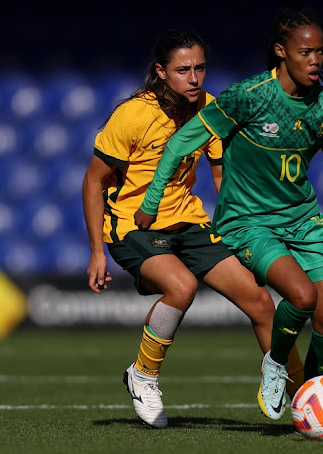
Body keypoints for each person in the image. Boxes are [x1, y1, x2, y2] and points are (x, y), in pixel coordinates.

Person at [134, 8, 323, 421]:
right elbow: (179, 145)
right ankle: (275, 364)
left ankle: (313, 410)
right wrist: (152, 201)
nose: (315, 60)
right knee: (301, 296)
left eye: (320, 51)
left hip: (303, 221)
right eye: (305, 52)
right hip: (249, 223)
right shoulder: (248, 97)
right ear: (281, 52)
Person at [82, 28, 303, 429]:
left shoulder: (212, 109)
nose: (194, 77)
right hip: (134, 225)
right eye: (183, 69)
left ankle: (304, 394)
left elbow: (223, 181)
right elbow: (93, 181)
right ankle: (143, 375)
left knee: (261, 302)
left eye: (200, 68)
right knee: (181, 286)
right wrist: (97, 251)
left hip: (191, 222)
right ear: (161, 72)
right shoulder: (133, 115)